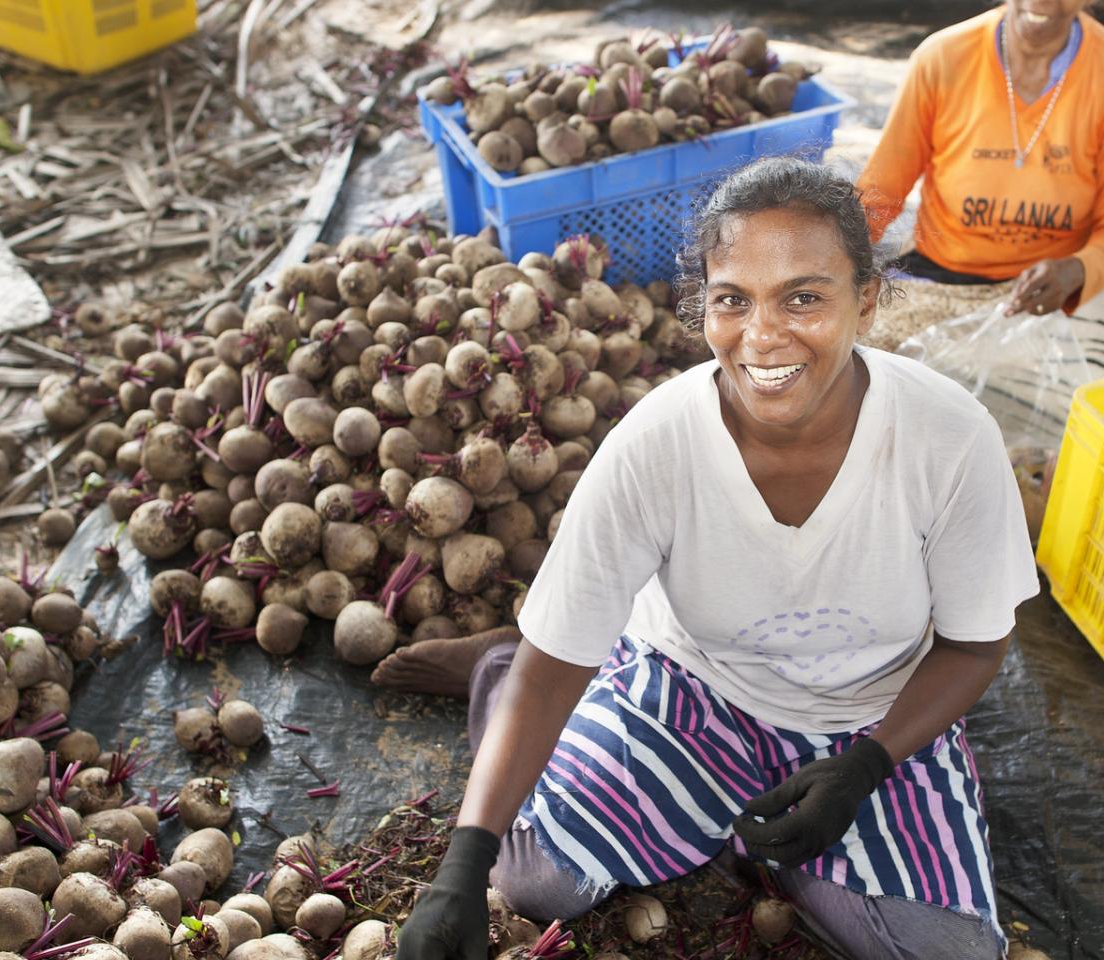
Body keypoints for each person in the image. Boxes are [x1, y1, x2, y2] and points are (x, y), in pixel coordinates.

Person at [374, 157, 1038, 960]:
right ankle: (493, 668)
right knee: (536, 884)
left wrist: (865, 767)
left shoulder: (948, 437)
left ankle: (759, 836)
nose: (763, 337)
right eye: (733, 300)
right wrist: (462, 862)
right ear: (703, 307)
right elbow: (552, 671)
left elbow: (973, 644)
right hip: (696, 689)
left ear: (865, 300)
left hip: (876, 712)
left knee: (949, 953)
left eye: (804, 297)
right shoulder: (657, 444)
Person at [856, 0, 1104, 512]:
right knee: (859, 384)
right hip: (942, 280)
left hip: (1055, 294)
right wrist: (822, 257)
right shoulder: (944, 57)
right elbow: (879, 195)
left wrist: (1078, 270)